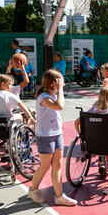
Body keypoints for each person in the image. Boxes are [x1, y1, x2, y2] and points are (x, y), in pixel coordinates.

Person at [27, 69, 77, 206]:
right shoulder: (44, 97)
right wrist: (60, 89)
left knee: (57, 165)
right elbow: (59, 106)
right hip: (45, 135)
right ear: (52, 83)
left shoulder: (53, 95)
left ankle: (59, 196)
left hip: (57, 133)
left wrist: (59, 90)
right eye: (60, 82)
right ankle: (32, 190)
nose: (63, 85)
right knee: (44, 166)